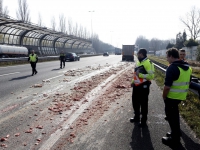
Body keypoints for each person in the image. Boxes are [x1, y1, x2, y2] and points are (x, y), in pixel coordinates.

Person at [162, 48, 192, 146]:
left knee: (171, 117)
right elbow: (189, 82)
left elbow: (167, 87)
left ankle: (175, 139)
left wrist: (164, 97)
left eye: (167, 57)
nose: (167, 59)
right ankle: (176, 132)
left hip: (171, 97)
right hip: (181, 96)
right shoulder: (187, 67)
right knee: (175, 115)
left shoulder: (172, 68)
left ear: (171, 56)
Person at [130, 48, 155, 127]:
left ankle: (143, 121)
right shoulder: (138, 62)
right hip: (136, 86)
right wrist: (133, 81)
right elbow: (135, 73)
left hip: (144, 86)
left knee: (143, 104)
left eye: (138, 54)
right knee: (135, 102)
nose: (137, 55)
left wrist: (140, 75)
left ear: (141, 54)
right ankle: (136, 117)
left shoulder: (149, 63)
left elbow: (151, 76)